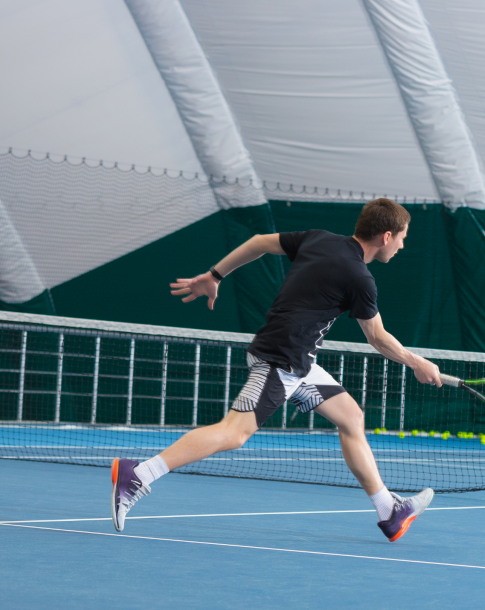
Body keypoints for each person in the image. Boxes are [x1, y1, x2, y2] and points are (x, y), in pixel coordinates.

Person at [109, 198, 442, 541]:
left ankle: (388, 510)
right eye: (402, 237)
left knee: (350, 417)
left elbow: (258, 243)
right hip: (280, 360)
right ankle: (141, 473)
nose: (403, 244)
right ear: (386, 237)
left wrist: (214, 275)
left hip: (298, 362)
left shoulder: (318, 238)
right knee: (234, 433)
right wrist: (418, 363)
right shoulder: (360, 278)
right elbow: (377, 337)